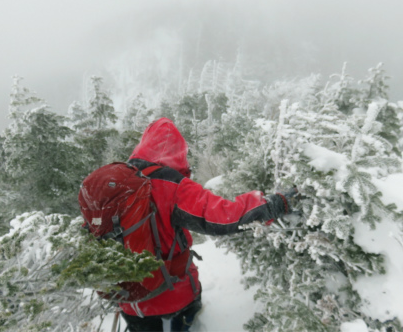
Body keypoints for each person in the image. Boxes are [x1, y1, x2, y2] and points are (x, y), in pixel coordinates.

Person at [120, 118, 293, 332]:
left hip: (129, 301)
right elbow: (223, 216)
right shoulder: (170, 185)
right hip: (172, 298)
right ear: (176, 151)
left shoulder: (118, 184)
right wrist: (273, 205)